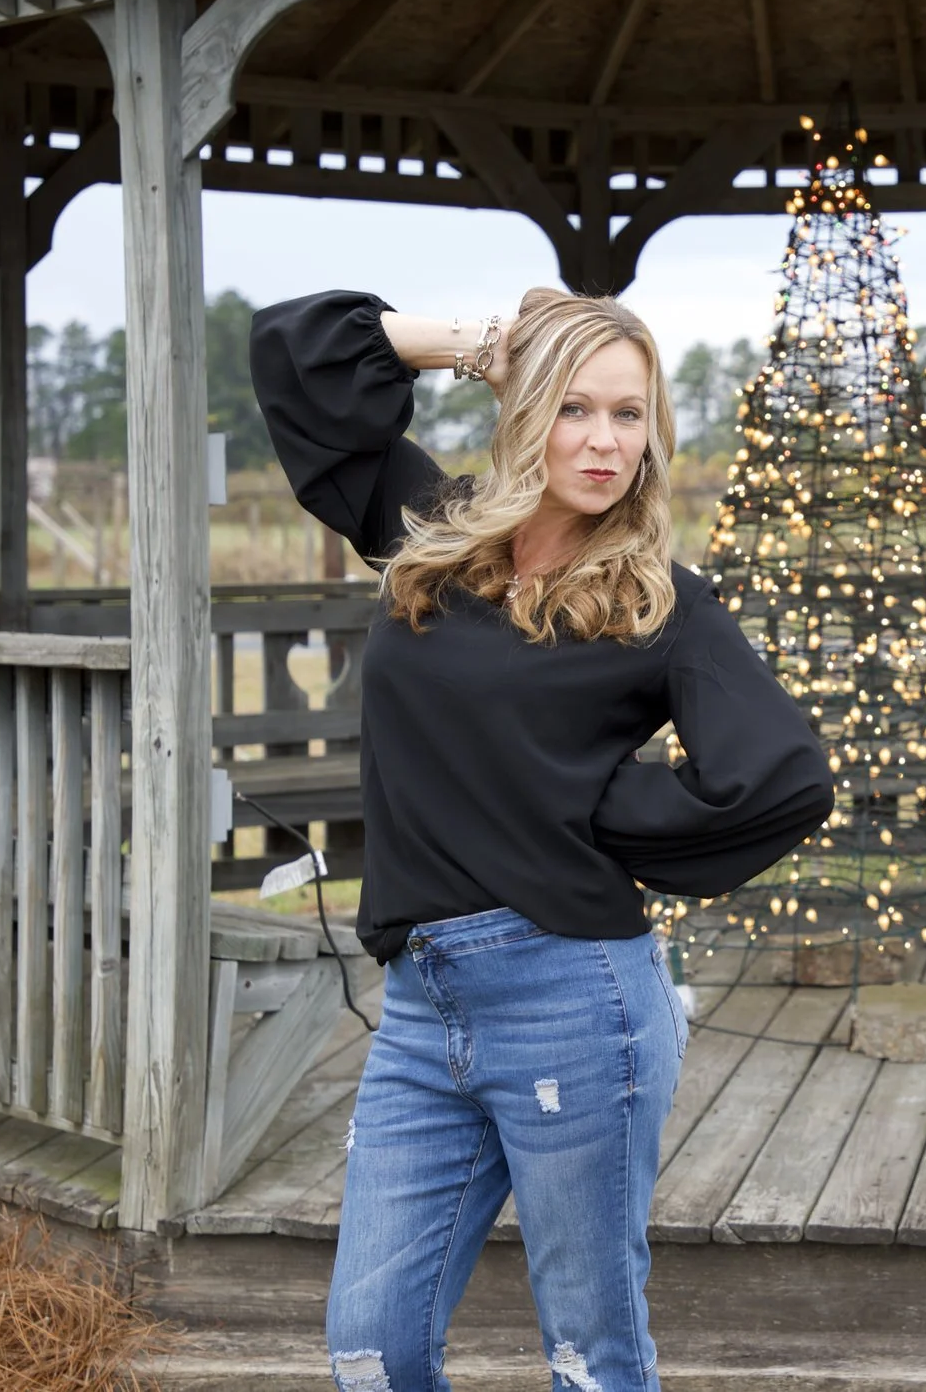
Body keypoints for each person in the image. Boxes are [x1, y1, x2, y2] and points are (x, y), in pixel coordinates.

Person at [250, 288, 836, 1392]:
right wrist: (478, 345)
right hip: (423, 1011)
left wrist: (587, 812)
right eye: (573, 407)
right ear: (524, 412)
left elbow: (781, 778)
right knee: (372, 1347)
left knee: (590, 1354)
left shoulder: (662, 603)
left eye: (630, 413)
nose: (606, 441)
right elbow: (298, 349)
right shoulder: (429, 531)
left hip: (575, 1000)